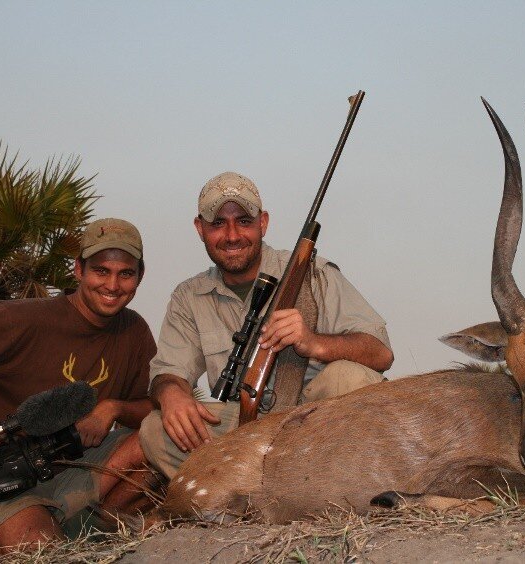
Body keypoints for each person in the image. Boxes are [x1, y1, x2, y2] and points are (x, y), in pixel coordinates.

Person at [0, 218, 156, 554]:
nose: (113, 284)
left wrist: (112, 408)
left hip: (68, 468)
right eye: (101, 271)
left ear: (140, 275)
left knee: (163, 438)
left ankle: (82, 532)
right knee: (43, 553)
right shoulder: (24, 318)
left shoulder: (134, 331)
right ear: (78, 270)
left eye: (126, 273)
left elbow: (153, 406)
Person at [139, 171, 393, 479]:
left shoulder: (315, 273)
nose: (232, 235)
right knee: (155, 429)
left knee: (349, 378)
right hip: (243, 429)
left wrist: (314, 342)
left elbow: (381, 354)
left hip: (317, 423)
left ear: (263, 223)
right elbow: (170, 372)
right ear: (199, 229)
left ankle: (302, 489)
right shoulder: (189, 296)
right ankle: (254, 497)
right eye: (218, 223)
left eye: (244, 221)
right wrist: (171, 394)